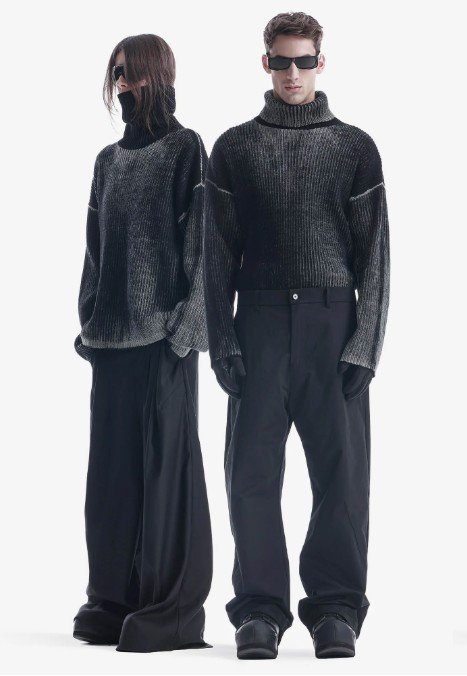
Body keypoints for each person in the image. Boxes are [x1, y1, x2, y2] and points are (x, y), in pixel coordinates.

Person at [203, 12, 390, 660]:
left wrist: (365, 345)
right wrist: (221, 341)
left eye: (303, 61)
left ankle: (335, 610)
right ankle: (259, 610)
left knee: (341, 476)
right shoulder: (233, 148)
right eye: (281, 60)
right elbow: (216, 255)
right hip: (256, 321)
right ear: (265, 63)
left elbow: (374, 256)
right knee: (250, 476)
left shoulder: (354, 147)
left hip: (331, 323)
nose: (292, 73)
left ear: (320, 63)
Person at [72, 34, 212, 653]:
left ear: (162, 74)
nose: (126, 84)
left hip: (163, 340)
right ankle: (113, 597)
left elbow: (204, 247)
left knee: (167, 474)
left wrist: (186, 330)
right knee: (110, 477)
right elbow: (94, 249)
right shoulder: (107, 161)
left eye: (135, 72)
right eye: (118, 74)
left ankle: (171, 609)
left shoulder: (186, 149)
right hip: (111, 341)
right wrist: (88, 319)